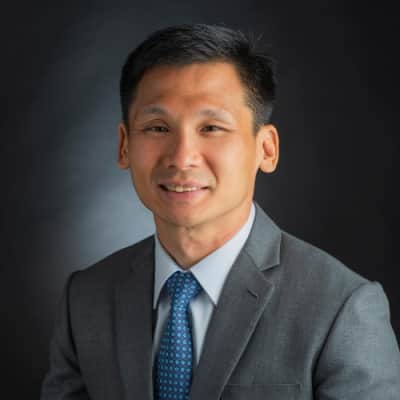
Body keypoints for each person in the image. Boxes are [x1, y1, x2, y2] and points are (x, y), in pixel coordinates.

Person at [40, 23, 400, 400]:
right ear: (123, 146)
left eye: (211, 127)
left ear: (266, 149)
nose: (182, 158)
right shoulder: (86, 299)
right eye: (158, 127)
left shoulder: (342, 308)